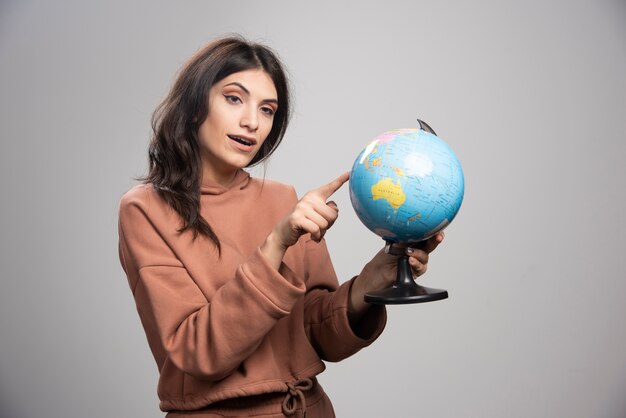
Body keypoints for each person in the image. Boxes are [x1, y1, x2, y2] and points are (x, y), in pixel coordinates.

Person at [118, 35, 444, 418]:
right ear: (194, 107)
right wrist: (275, 243)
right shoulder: (145, 209)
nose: (252, 122)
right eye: (233, 98)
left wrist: (375, 278)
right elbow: (199, 352)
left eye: (268, 109)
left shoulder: (282, 197)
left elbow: (320, 336)